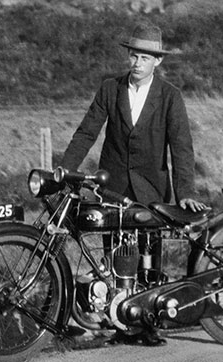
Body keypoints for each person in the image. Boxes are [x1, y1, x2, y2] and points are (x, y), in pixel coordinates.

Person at [60, 23, 207, 346]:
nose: (137, 63)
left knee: (149, 254)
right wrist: (65, 170)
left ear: (158, 61)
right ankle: (119, 319)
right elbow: (87, 132)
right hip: (113, 186)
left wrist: (185, 194)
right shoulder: (110, 89)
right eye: (133, 56)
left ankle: (149, 323)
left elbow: (181, 147)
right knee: (117, 252)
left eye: (145, 57)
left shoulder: (170, 97)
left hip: (152, 189)